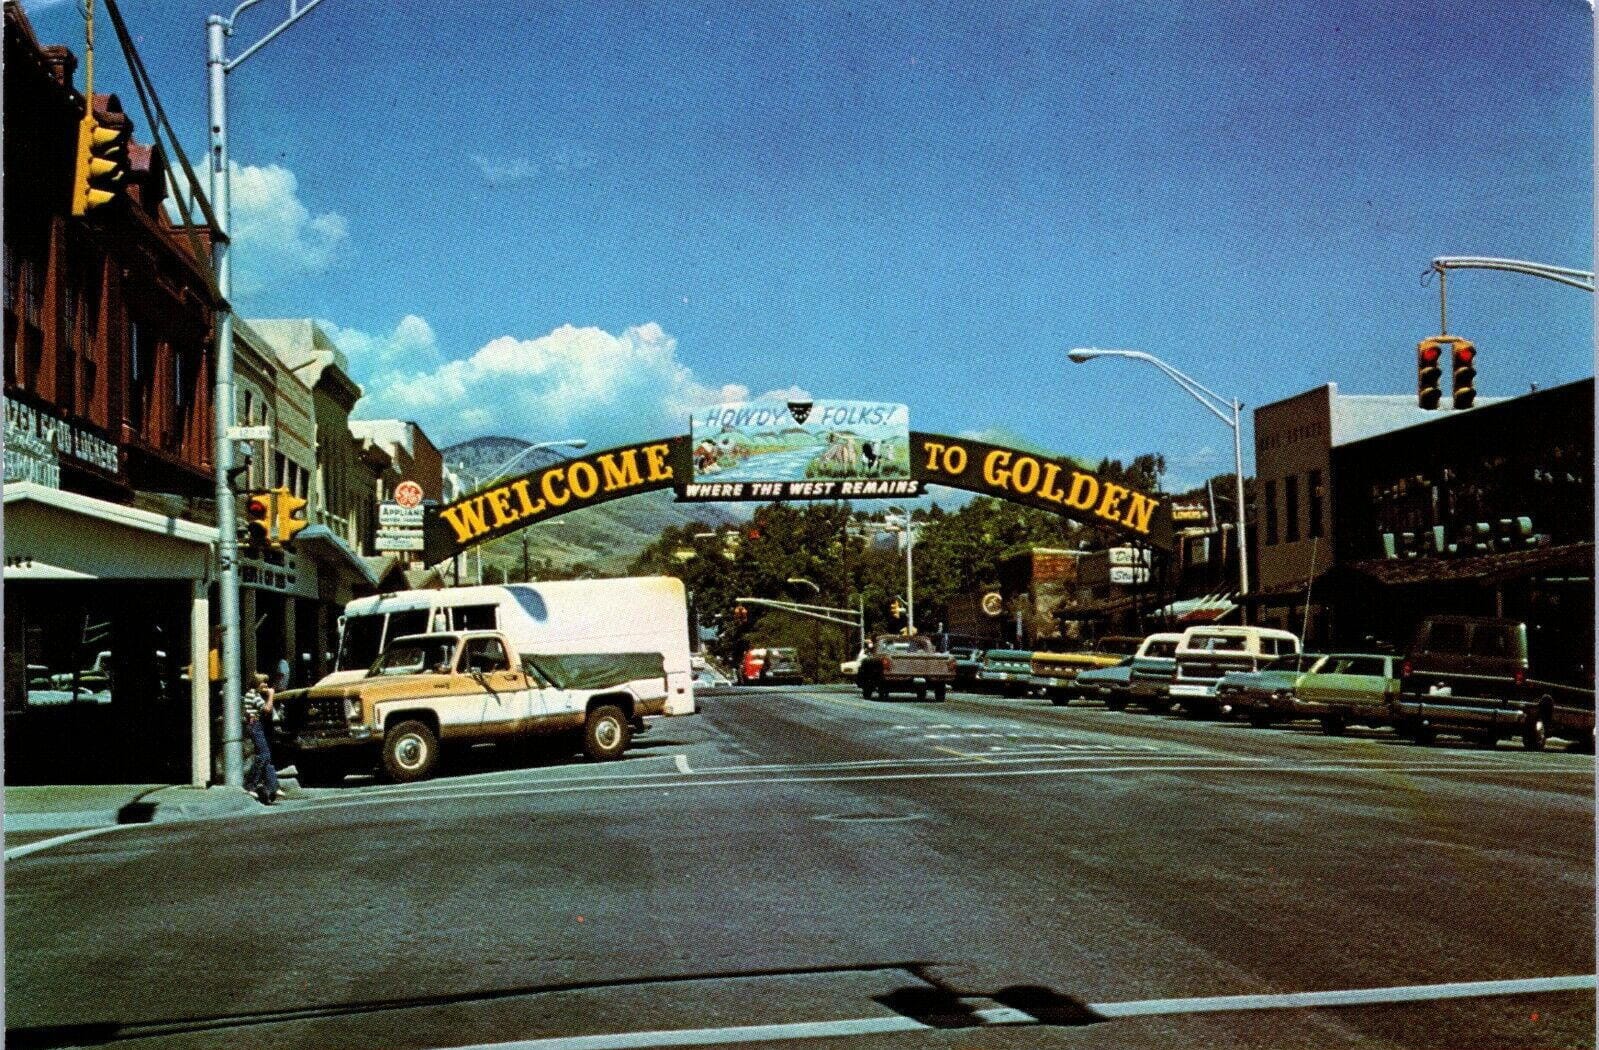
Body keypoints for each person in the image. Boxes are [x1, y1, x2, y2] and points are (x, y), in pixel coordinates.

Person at [242, 672, 280, 805]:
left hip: (257, 725)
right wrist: (271, 695)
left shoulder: (256, 695)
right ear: (256, 684)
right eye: (263, 682)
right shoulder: (252, 695)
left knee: (267, 756)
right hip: (255, 726)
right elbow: (267, 709)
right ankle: (250, 784)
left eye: (266, 682)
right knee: (263, 755)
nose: (266, 685)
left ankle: (273, 786)